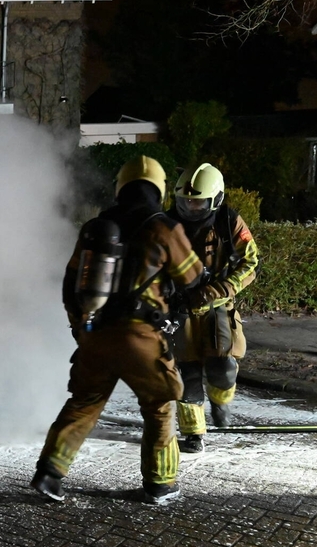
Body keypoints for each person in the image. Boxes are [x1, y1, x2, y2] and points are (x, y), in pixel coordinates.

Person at [31, 155, 204, 505]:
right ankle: (161, 484)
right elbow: (194, 276)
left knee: (83, 403)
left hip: (96, 333)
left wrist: (81, 329)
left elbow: (70, 284)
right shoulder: (164, 228)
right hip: (142, 337)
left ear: (120, 188)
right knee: (159, 405)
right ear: (160, 188)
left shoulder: (95, 227)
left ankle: (49, 474)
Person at [167, 163, 259, 453]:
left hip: (217, 305)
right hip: (180, 309)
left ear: (215, 200)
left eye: (198, 203)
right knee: (186, 372)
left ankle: (221, 401)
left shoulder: (228, 222)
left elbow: (250, 262)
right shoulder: (167, 223)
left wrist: (220, 288)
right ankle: (194, 433)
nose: (191, 208)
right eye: (185, 202)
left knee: (223, 365)